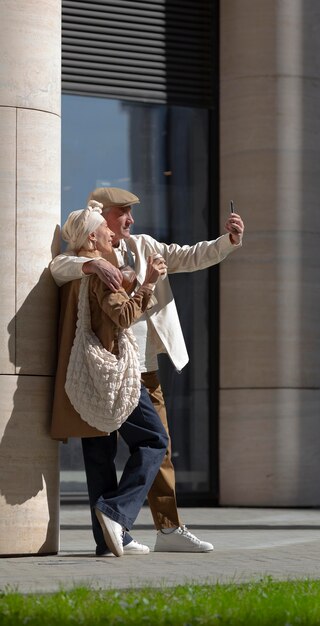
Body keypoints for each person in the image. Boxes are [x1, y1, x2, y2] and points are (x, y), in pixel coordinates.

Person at [50, 187, 245, 553]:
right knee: (102, 453)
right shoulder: (84, 255)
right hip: (103, 368)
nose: (130, 220)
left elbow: (188, 256)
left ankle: (166, 528)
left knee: (159, 446)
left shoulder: (143, 246)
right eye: (123, 212)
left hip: (142, 369)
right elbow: (58, 268)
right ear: (102, 216)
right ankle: (111, 536)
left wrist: (228, 241)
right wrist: (92, 263)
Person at [50, 202, 169, 557]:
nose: (112, 232)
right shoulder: (101, 274)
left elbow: (61, 266)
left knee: (99, 455)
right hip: (112, 374)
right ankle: (116, 512)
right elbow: (123, 317)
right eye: (105, 228)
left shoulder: (76, 273)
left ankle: (110, 539)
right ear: (91, 237)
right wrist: (148, 284)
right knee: (153, 440)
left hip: (81, 375)